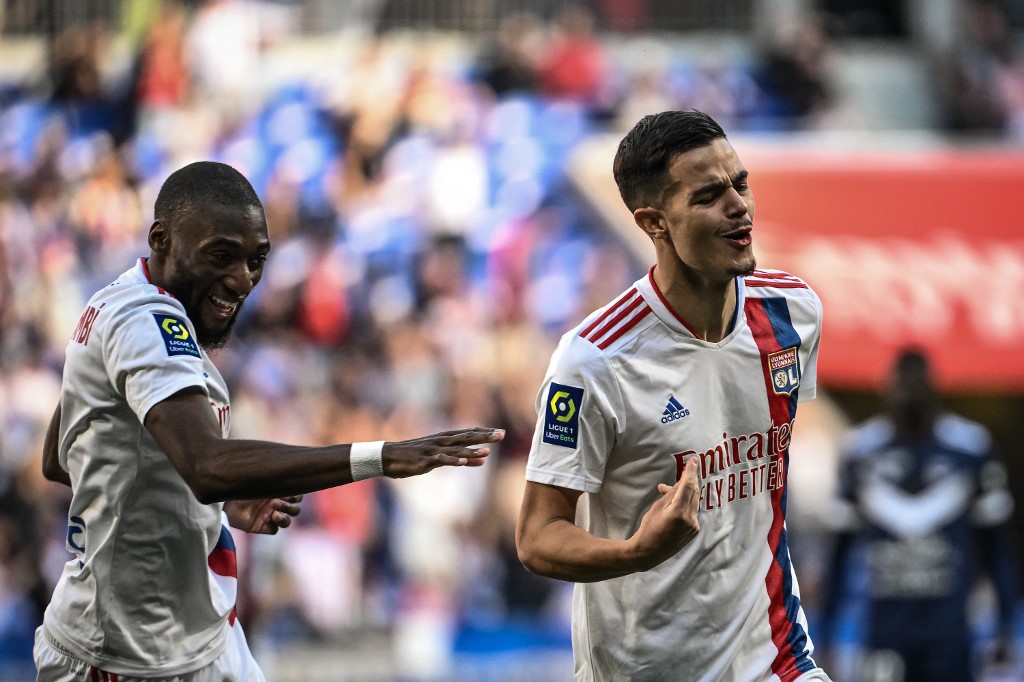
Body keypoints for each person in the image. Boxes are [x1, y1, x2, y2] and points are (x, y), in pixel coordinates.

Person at [35, 160, 504, 681]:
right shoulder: (148, 324)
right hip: (126, 656)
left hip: (201, 640)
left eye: (256, 259)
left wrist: (211, 499)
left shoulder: (114, 301)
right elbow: (206, 465)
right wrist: (382, 456)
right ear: (161, 238)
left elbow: (61, 457)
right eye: (221, 256)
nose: (241, 280)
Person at [515, 109, 830, 681]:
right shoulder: (592, 361)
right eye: (709, 195)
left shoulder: (794, 313)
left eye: (741, 183)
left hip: (777, 658)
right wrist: (634, 552)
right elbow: (537, 538)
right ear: (653, 222)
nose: (739, 207)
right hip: (647, 669)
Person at [819, 349, 1018, 682]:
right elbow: (839, 552)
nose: (907, 395)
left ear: (934, 389)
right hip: (885, 629)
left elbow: (997, 547)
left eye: (915, 386)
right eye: (900, 385)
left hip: (950, 630)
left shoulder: (970, 449)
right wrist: (825, 636)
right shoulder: (861, 452)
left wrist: (1005, 625)